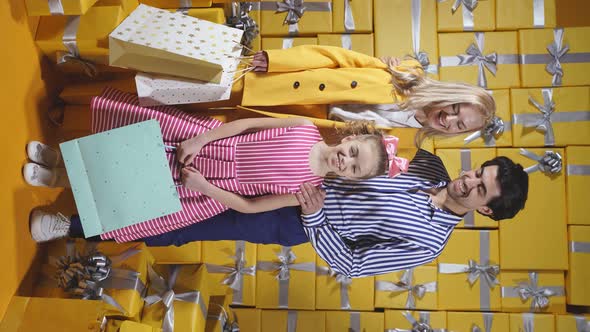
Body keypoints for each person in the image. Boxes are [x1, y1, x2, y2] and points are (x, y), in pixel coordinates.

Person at [30, 148, 529, 277]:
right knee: (185, 166)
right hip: (300, 163)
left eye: (480, 190)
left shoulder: (430, 243)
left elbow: (353, 264)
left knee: (184, 223)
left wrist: (313, 218)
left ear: (485, 211)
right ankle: (70, 173)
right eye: (478, 172)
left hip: (291, 218)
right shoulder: (428, 163)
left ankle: (70, 226)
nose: (469, 181)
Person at [26, 87, 408, 243]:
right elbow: (246, 125)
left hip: (210, 187)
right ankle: (58, 162)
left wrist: (206, 188)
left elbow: (249, 205)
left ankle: (54, 185)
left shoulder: (306, 190)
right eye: (355, 151)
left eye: (354, 168)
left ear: (350, 179)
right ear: (351, 137)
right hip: (210, 144)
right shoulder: (305, 128)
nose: (347, 160)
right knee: (121, 151)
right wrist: (201, 138)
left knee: (132, 187)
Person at [244, 45, 497, 145]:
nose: (449, 120)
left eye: (459, 125)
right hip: (288, 86)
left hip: (298, 130)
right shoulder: (407, 74)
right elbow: (339, 58)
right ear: (451, 95)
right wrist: (278, 60)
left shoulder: (407, 147)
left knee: (219, 127)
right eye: (454, 110)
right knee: (210, 87)